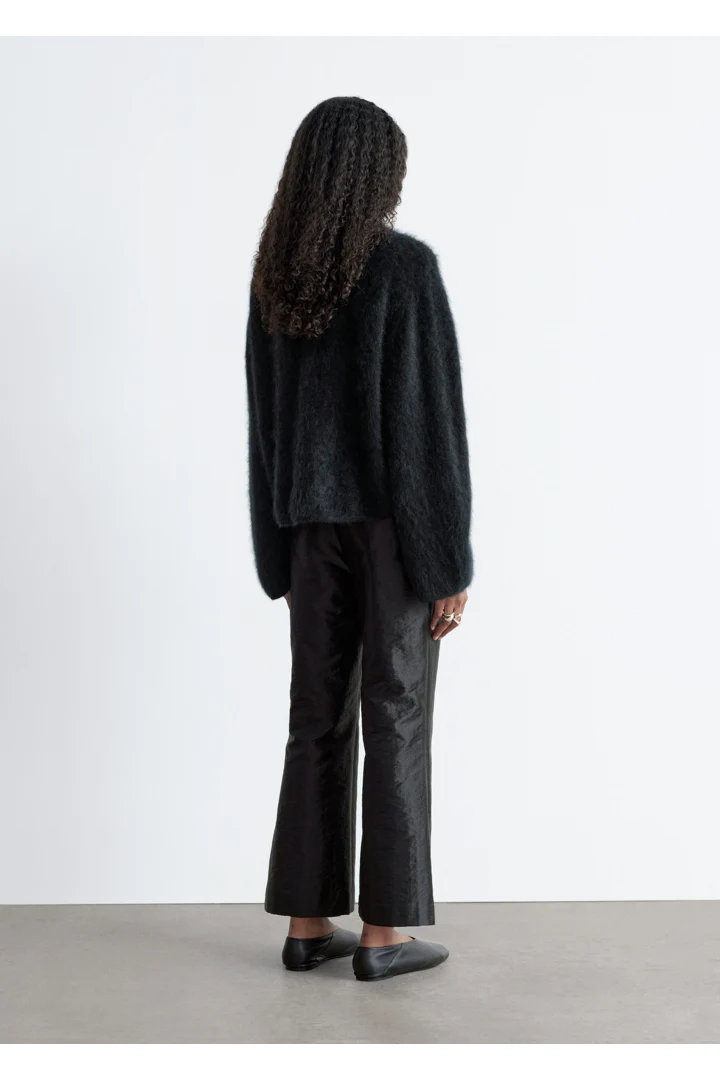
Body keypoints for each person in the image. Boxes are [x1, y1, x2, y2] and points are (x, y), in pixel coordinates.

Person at [246, 96, 472, 982]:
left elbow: (265, 429)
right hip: (389, 532)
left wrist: (276, 552)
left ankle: (308, 925)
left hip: (309, 532)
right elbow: (426, 428)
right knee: (397, 711)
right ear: (378, 174)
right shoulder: (403, 268)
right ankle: (383, 936)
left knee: (316, 718)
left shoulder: (277, 278)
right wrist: (445, 561)